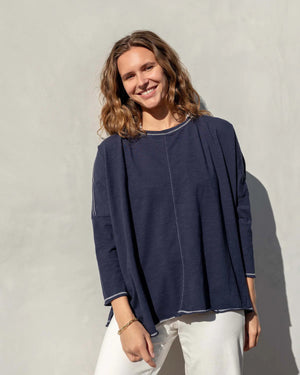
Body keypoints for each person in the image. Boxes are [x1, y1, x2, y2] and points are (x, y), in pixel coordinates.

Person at [91, 30, 261, 375]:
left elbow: (241, 223)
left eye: (147, 67)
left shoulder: (218, 135)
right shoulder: (113, 154)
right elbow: (106, 238)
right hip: (142, 304)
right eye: (129, 76)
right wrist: (125, 320)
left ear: (166, 66)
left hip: (218, 298)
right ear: (121, 86)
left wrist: (251, 306)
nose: (142, 80)